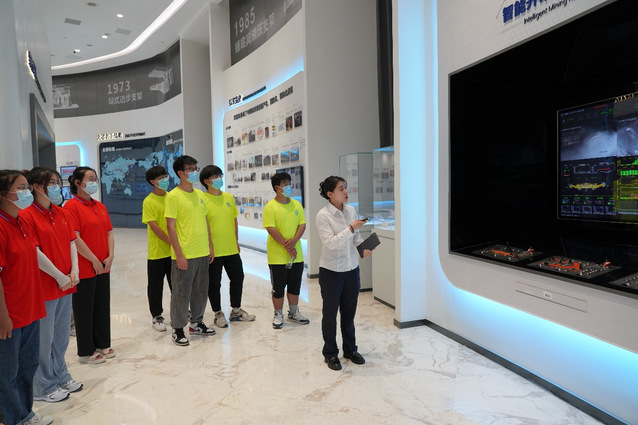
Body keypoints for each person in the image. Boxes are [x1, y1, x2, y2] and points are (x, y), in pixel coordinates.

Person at [21, 168, 83, 403]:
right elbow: (34, 252)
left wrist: (74, 270)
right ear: (37, 187)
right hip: (46, 284)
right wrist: (58, 276)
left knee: (61, 336)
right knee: (43, 339)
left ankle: (60, 375)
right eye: (52, 183)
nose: (57, 186)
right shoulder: (27, 215)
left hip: (67, 282)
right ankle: (43, 385)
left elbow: (71, 242)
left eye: (58, 182)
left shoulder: (60, 212)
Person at [0, 170, 53, 425]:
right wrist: (3, 317)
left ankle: (25, 413)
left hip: (31, 307)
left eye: (27, 187)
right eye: (20, 188)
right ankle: (12, 418)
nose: (27, 192)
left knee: (27, 366)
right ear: (3, 195)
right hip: (10, 314)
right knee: (7, 373)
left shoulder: (21, 220)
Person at [316, 176, 372, 371]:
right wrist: (350, 228)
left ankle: (350, 349)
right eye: (341, 189)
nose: (346, 191)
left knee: (349, 314)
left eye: (345, 187)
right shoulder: (323, 215)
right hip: (331, 271)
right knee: (330, 314)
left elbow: (356, 237)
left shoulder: (351, 210)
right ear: (330, 194)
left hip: (351, 270)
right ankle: (330, 352)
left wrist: (363, 247)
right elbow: (330, 243)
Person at [64, 167, 115, 364]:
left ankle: (102, 343)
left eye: (95, 179)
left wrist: (110, 256)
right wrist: (93, 259)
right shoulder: (71, 206)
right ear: (78, 183)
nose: (94, 182)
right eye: (90, 179)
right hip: (85, 267)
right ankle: (86, 351)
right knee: (84, 309)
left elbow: (109, 232)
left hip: (103, 265)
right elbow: (74, 238)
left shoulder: (99, 205)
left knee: (101, 305)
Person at [165, 156, 216, 346]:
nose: (194, 172)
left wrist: (210, 246)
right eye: (190, 169)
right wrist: (179, 254)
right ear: (180, 173)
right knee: (181, 293)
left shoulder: (200, 195)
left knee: (201, 290)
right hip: (185, 253)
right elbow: (170, 227)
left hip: (202, 251)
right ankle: (178, 328)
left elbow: (205, 221)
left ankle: (197, 322)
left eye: (196, 168)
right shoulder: (173, 196)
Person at [200, 165, 255, 328]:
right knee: (214, 283)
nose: (219, 179)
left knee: (238, 278)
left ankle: (236, 310)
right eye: (215, 176)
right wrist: (209, 247)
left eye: (220, 175)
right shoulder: (202, 199)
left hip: (231, 248)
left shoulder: (228, 197)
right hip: (213, 250)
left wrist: (236, 241)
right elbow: (203, 225)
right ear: (206, 181)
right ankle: (218, 313)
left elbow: (234, 220)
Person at [263, 172, 308, 329]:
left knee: (295, 285)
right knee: (278, 287)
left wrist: (294, 242)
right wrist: (287, 246)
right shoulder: (270, 206)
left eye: (290, 183)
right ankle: (278, 313)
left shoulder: (296, 204)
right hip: (277, 256)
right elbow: (271, 228)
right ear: (277, 187)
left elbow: (302, 224)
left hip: (296, 255)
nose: (289, 186)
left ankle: (293, 312)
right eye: (285, 184)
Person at [142, 166, 173, 332]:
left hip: (174, 252)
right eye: (161, 178)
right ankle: (157, 315)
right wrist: (171, 241)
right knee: (155, 286)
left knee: (176, 284)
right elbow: (154, 226)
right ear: (153, 182)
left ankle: (179, 311)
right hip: (157, 252)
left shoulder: (172, 197)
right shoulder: (149, 201)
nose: (165, 180)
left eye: (165, 176)